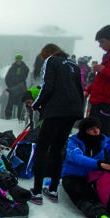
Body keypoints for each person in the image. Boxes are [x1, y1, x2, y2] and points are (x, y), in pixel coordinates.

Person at [29, 43, 84, 205]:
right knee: (58, 148)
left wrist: (36, 104)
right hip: (73, 111)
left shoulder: (51, 60)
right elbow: (79, 88)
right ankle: (53, 189)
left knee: (42, 148)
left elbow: (48, 86)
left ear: (46, 54)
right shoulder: (73, 64)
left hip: (55, 110)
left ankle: (37, 192)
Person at [4, 54, 30, 120]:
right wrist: (10, 86)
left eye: (19, 59)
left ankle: (20, 116)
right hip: (14, 89)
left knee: (20, 103)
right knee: (10, 103)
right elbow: (7, 78)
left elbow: (26, 76)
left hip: (20, 89)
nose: (18, 61)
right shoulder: (12, 68)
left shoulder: (25, 68)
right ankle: (8, 116)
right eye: (17, 60)